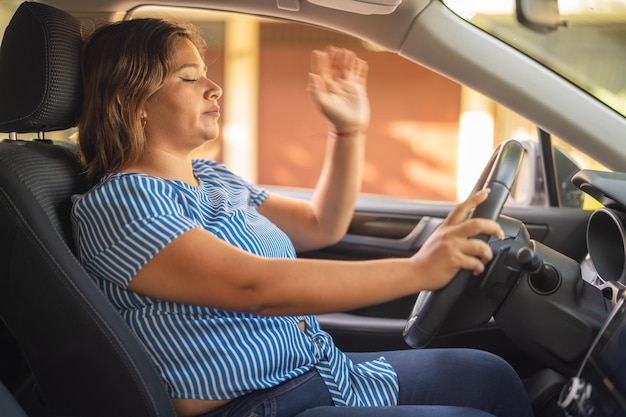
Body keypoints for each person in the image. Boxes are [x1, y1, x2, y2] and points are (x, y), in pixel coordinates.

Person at [71, 18, 533, 417]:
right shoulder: (121, 205)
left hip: (323, 374)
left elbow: (320, 224)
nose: (215, 88)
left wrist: (348, 131)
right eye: (190, 79)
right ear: (128, 101)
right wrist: (418, 270)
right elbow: (255, 287)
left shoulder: (211, 179)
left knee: (490, 375)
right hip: (260, 404)